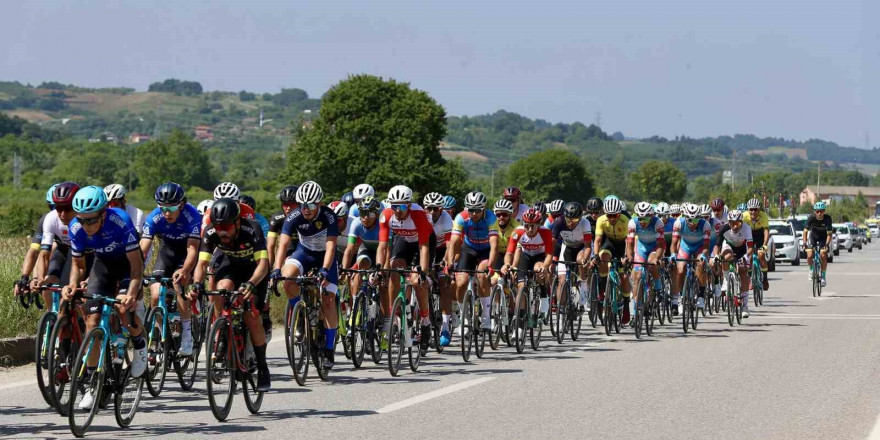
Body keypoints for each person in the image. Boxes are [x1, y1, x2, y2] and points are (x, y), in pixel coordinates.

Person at [61, 186, 146, 409]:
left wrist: (131, 294)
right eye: (82, 220)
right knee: (91, 323)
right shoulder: (76, 227)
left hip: (128, 267)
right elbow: (78, 265)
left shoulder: (121, 221)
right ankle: (92, 384)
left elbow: (137, 267)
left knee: (123, 310)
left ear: (103, 213)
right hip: (103, 266)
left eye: (91, 220)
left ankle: (140, 344)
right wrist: (71, 284)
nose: (86, 226)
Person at [193, 198, 271, 391]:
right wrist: (196, 284)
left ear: (237, 222)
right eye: (219, 226)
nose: (222, 231)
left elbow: (263, 264)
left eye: (227, 226)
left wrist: (252, 283)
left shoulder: (252, 229)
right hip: (230, 264)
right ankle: (222, 330)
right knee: (221, 290)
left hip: (253, 270)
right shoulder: (211, 232)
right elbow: (202, 264)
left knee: (252, 316)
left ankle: (262, 367)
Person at [270, 181, 340, 368]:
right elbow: (282, 245)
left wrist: (325, 269)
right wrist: (276, 269)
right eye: (302, 205)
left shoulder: (329, 216)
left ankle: (329, 348)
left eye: (310, 206)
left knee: (328, 300)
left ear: (319, 204)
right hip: (305, 253)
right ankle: (300, 315)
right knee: (287, 279)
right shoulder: (294, 216)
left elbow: (331, 246)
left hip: (325, 257)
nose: (306, 210)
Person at [139, 183, 202, 356]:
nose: (167, 213)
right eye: (163, 208)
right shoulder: (154, 217)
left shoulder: (192, 216)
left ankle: (187, 335)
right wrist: (134, 270)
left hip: (187, 252)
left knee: (178, 284)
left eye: (172, 208)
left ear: (181, 204)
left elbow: (193, 250)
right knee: (155, 293)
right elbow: (143, 248)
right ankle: (160, 332)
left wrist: (186, 271)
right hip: (167, 252)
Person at [376, 185, 434, 352]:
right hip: (402, 240)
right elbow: (382, 246)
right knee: (393, 269)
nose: (397, 210)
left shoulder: (419, 215)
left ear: (409, 205)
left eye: (401, 207)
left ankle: (425, 321)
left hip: (421, 243)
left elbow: (424, 248)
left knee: (418, 281)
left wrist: (422, 272)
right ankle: (394, 314)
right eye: (394, 206)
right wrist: (379, 269)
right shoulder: (386, 215)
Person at [445, 191, 499, 343]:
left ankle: (486, 317)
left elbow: (494, 245)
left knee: (482, 275)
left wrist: (491, 265)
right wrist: (450, 264)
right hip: (469, 248)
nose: (474, 213)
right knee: (461, 282)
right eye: (471, 210)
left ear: (484, 208)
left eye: (478, 210)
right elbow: (454, 242)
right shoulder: (461, 217)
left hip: (485, 250)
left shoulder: (490, 217)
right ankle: (465, 319)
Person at [501, 208, 554, 328]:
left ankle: (544, 295)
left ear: (539, 225)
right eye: (527, 226)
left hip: (539, 257)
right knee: (520, 287)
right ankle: (521, 318)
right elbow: (509, 253)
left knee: (539, 269)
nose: (530, 229)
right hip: (526, 256)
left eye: (533, 226)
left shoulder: (545, 232)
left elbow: (549, 254)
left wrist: (545, 267)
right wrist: (507, 265)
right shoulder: (518, 232)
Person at [591, 197, 633, 324]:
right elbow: (598, 240)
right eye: (609, 216)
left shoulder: (626, 220)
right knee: (603, 257)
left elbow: (629, 241)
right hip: (609, 243)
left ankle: (626, 306)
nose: (612, 219)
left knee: (624, 277)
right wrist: (595, 255)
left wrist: (627, 256)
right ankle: (603, 288)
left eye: (615, 216)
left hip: (623, 246)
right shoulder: (601, 220)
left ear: (619, 214)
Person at [14, 184, 57, 303]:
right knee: (44, 250)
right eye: (52, 206)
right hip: (58, 259)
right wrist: (25, 278)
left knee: (53, 246)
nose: (57, 211)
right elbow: (34, 251)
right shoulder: (46, 220)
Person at [423, 192, 455, 345]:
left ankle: (446, 327)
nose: (432, 212)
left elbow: (450, 245)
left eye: (435, 209)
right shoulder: (422, 217)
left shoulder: (446, 219)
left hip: (442, 249)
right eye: (429, 208)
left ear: (441, 209)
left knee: (444, 284)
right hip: (427, 249)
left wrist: (446, 263)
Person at [626, 202, 665, 316]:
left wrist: (657, 258)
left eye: (646, 218)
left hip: (655, 247)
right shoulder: (633, 222)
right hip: (641, 247)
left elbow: (660, 244)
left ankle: (657, 288)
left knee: (652, 264)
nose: (642, 221)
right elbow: (630, 244)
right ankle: (635, 310)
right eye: (640, 218)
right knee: (637, 276)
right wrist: (629, 258)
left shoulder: (658, 222)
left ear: (651, 216)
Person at [552, 201, 592, 310]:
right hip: (567, 246)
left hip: (582, 246)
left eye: (574, 220)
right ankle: (561, 309)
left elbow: (588, 246)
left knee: (580, 260)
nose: (571, 222)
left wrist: (585, 259)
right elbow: (552, 243)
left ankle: (583, 285)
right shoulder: (559, 221)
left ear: (580, 218)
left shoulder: (585, 223)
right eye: (568, 219)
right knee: (562, 279)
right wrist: (550, 258)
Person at [713, 210, 754, 317]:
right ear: (729, 222)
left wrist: (745, 257)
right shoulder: (724, 228)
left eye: (738, 223)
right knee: (726, 257)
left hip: (742, 249)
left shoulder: (746, 228)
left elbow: (750, 248)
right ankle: (726, 279)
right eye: (732, 223)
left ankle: (745, 306)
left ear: (741, 222)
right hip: (729, 246)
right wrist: (716, 255)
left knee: (743, 272)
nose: (735, 226)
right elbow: (717, 246)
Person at [671, 203, 711, 312]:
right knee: (680, 269)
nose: (692, 223)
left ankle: (701, 295)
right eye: (689, 220)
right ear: (685, 218)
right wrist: (673, 254)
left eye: (695, 220)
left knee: (701, 264)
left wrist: (703, 255)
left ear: (700, 218)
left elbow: (706, 247)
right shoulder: (679, 223)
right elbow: (674, 244)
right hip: (686, 247)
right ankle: (681, 296)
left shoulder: (705, 225)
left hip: (700, 247)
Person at [342, 196, 382, 297]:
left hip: (382, 252)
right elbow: (350, 249)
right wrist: (344, 269)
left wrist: (382, 271)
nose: (366, 218)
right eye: (363, 213)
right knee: (361, 268)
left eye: (370, 214)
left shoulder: (382, 225)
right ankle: (356, 303)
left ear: (377, 215)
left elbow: (385, 250)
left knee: (383, 282)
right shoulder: (356, 223)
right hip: (367, 249)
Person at [267, 184, 299, 267]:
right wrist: (269, 269)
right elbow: (270, 246)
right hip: (288, 249)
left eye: (292, 205)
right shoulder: (276, 218)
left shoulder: (307, 217)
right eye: (285, 204)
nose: (288, 208)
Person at [803, 202, 833, 287]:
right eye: (817, 211)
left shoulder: (827, 218)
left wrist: (827, 244)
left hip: (823, 238)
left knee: (823, 255)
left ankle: (823, 276)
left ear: (824, 211)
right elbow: (805, 232)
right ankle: (811, 270)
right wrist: (804, 242)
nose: (819, 213)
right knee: (809, 255)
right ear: (815, 212)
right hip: (814, 236)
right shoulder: (811, 217)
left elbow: (829, 234)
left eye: (821, 211)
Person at [743, 198, 770, 291]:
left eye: (756, 209)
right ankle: (750, 279)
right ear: (748, 210)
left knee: (761, 255)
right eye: (751, 209)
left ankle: (765, 279)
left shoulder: (763, 216)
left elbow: (766, 231)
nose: (753, 212)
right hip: (749, 235)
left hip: (760, 236)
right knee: (749, 257)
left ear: (759, 209)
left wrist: (765, 245)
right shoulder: (744, 216)